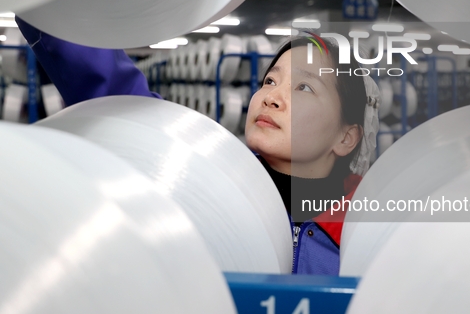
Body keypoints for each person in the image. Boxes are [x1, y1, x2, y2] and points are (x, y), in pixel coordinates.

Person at [15, 17, 379, 275]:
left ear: (346, 137)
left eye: (303, 88)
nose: (271, 97)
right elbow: (115, 92)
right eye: (270, 80)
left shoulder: (373, 235)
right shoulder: (203, 182)